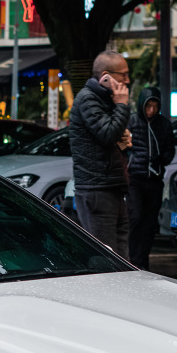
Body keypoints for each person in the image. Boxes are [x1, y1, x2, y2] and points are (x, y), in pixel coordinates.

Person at [69, 50, 133, 258]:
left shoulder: (105, 98)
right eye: (123, 74)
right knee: (106, 257)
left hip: (112, 185)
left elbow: (110, 134)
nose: (127, 80)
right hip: (97, 188)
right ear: (106, 75)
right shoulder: (88, 99)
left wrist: (124, 138)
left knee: (122, 257)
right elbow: (106, 134)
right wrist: (122, 104)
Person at [125, 87, 175, 270]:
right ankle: (130, 258)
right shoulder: (130, 121)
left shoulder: (164, 124)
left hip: (154, 179)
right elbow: (122, 146)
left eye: (155, 106)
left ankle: (142, 261)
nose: (151, 110)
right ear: (142, 105)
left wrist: (162, 159)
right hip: (135, 178)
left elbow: (170, 149)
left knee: (149, 224)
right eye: (148, 106)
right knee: (135, 217)